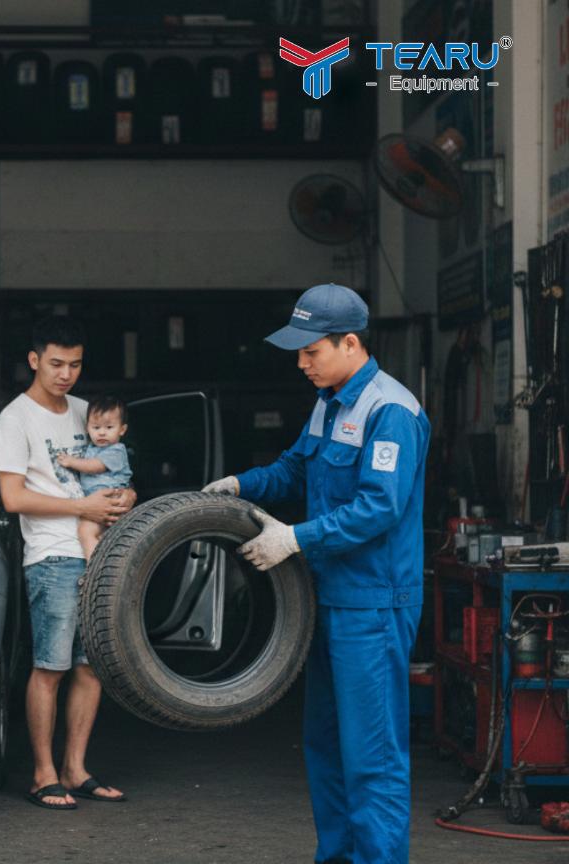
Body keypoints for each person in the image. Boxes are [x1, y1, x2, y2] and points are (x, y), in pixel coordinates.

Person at [203, 283, 429, 864]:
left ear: (349, 343)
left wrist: (295, 538)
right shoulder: (329, 402)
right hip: (329, 598)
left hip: (374, 604)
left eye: (311, 351)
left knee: (372, 754)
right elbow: (293, 471)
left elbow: (382, 507)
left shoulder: (391, 410)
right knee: (326, 748)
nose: (301, 363)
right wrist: (238, 486)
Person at [0, 317, 135, 810]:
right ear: (34, 360)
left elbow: (116, 462)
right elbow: (12, 498)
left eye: (74, 364)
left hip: (99, 551)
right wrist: (84, 509)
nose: (65, 374)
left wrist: (126, 494)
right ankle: (42, 773)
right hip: (52, 556)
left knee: (91, 668)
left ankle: (75, 769)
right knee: (50, 667)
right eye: (55, 363)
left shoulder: (85, 411)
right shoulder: (15, 419)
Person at [56, 394, 133, 559]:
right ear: (87, 428)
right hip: (100, 503)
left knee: (86, 531)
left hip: (112, 500)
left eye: (109, 427)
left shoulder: (116, 450)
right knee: (100, 537)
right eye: (96, 428)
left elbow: (94, 467)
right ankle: (103, 566)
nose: (102, 433)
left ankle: (94, 569)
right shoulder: (92, 448)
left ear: (122, 429)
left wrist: (71, 461)